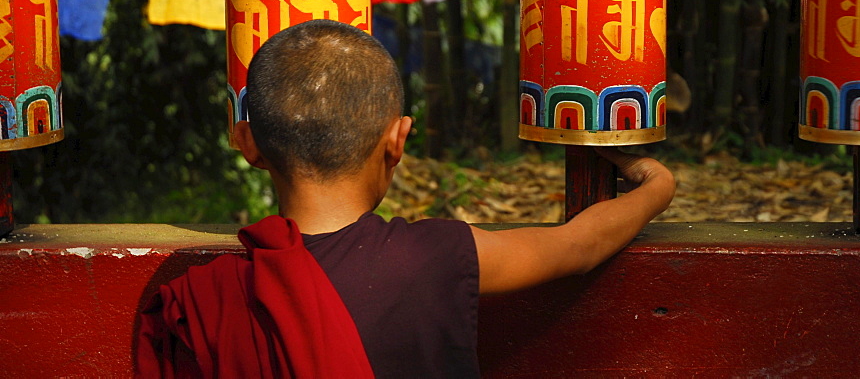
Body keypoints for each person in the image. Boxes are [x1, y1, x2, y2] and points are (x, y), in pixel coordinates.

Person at [137, 19, 675, 378]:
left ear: (246, 144)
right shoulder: (439, 257)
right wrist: (656, 187)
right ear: (398, 140)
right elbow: (577, 247)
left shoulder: (206, 299)